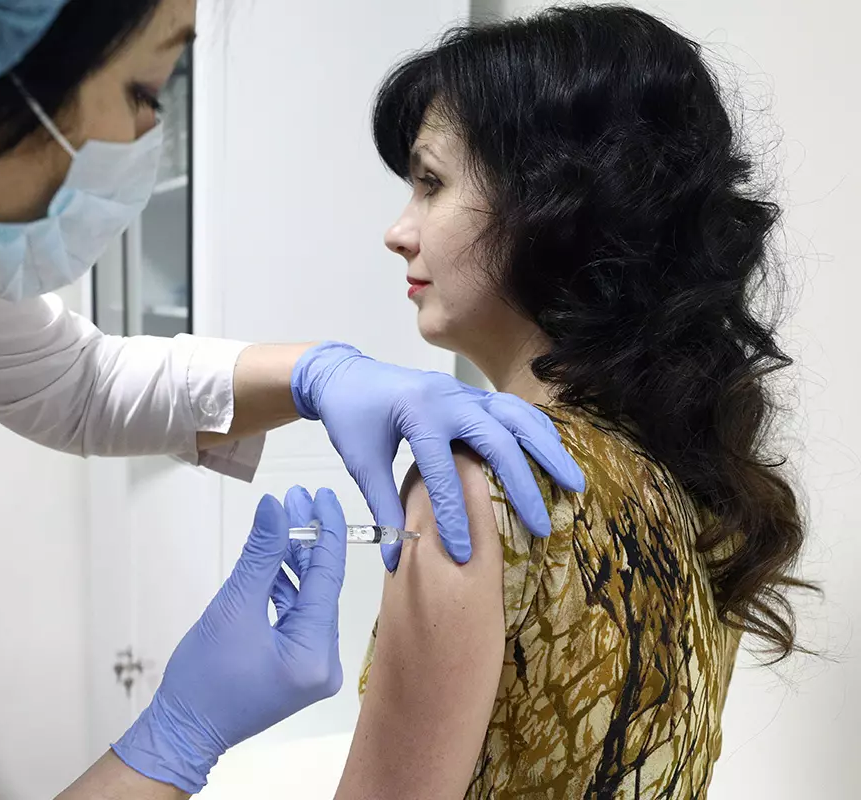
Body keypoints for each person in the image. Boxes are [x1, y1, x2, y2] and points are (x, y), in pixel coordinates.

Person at [0, 0, 585, 797]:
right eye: (145, 91)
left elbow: (80, 379)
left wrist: (318, 373)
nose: (148, 140)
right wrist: (174, 739)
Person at [335, 6, 810, 798]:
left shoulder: (474, 487)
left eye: (431, 183)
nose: (399, 231)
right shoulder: (694, 485)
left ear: (549, 205)